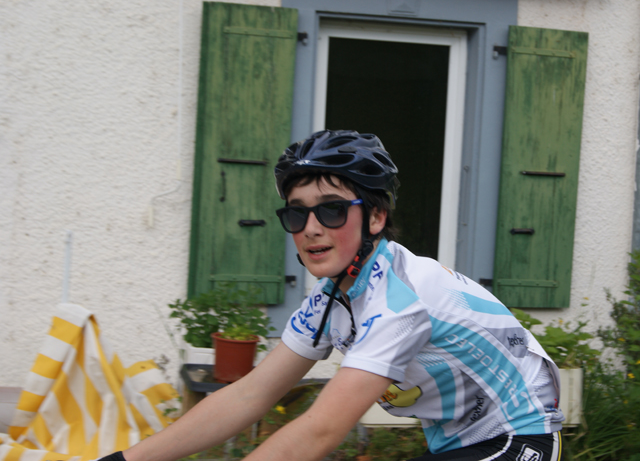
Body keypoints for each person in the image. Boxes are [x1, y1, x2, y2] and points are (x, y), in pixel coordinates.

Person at [104, 130, 564, 461]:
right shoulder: (331, 299)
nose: (311, 228)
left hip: (518, 437)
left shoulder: (400, 301)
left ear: (376, 218)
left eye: (332, 210)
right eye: (297, 214)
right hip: (457, 443)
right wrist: (126, 459)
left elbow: (320, 431)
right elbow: (250, 395)